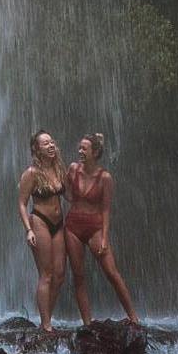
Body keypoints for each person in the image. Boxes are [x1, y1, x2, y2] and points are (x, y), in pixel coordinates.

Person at [64, 132, 140, 326]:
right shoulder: (72, 169)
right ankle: (87, 323)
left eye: (84, 148)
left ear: (95, 152)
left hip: (95, 226)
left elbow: (106, 209)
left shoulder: (105, 177)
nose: (80, 151)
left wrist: (105, 238)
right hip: (72, 226)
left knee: (111, 272)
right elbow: (66, 194)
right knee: (78, 275)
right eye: (79, 148)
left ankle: (134, 318)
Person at [19, 130, 68, 332]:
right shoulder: (31, 173)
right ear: (36, 149)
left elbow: (70, 195)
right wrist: (28, 230)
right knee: (46, 274)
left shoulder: (58, 169)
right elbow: (22, 203)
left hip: (59, 224)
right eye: (45, 143)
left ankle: (46, 315)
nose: (50, 145)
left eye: (52, 141)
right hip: (39, 221)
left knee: (60, 275)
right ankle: (46, 325)